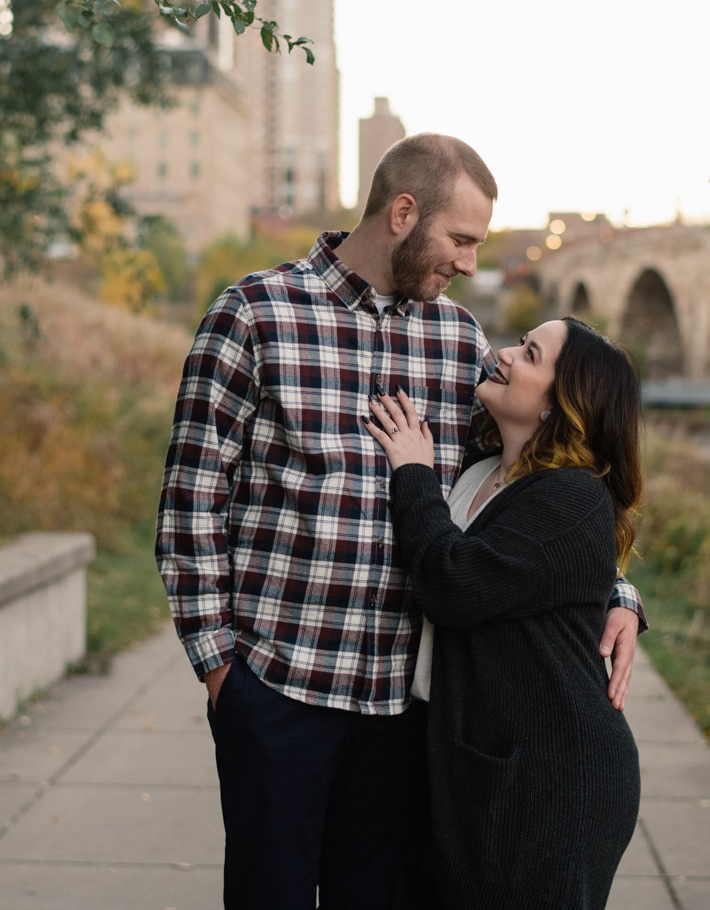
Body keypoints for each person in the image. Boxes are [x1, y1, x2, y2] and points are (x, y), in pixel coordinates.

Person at [155, 133, 645, 910]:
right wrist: (223, 672)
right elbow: (190, 503)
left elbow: (537, 483)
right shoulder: (254, 314)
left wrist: (616, 589)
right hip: (279, 691)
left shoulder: (457, 344)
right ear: (403, 213)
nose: (470, 263)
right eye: (460, 239)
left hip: (403, 714)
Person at [364, 316, 643, 910]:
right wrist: (622, 595)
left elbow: (455, 584)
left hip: (551, 779)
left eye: (531, 354)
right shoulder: (479, 473)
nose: (506, 353)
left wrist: (412, 473)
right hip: (481, 763)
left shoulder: (572, 496)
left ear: (559, 404)